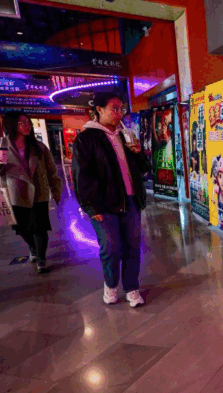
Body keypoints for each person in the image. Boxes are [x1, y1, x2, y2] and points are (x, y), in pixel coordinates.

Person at [72, 92, 151, 307]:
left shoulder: (125, 135)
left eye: (121, 109)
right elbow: (81, 175)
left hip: (131, 200)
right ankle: (111, 284)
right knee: (111, 248)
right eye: (114, 109)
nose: (119, 114)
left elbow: (144, 169)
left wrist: (138, 153)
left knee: (132, 246)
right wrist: (90, 206)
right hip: (104, 204)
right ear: (99, 110)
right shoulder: (86, 139)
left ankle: (132, 288)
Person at [0, 111, 62, 273]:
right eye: (22, 123)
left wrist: (56, 189)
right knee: (21, 227)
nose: (27, 125)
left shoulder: (39, 146)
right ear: (11, 125)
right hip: (14, 193)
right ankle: (33, 247)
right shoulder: (0, 144)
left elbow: (51, 170)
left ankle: (41, 259)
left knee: (40, 227)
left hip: (39, 193)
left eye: (28, 122)